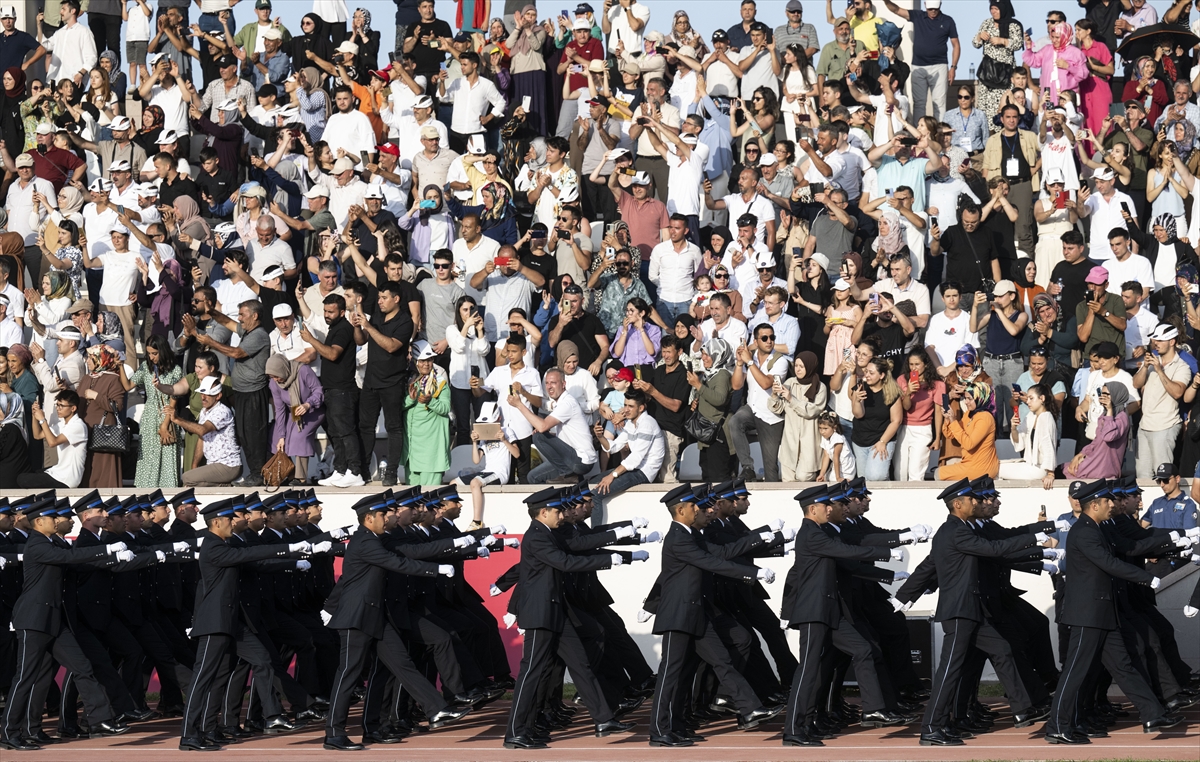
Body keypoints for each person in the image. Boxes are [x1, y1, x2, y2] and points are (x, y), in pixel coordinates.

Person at [646, 483, 780, 748]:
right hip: (679, 615)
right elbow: (711, 562)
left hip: (697, 613)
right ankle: (660, 730)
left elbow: (719, 553)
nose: (701, 509)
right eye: (695, 506)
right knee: (671, 673)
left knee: (721, 661)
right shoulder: (678, 537)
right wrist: (752, 574)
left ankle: (748, 708)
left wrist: (762, 540)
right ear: (681, 509)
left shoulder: (692, 535)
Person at [1043, 479, 1177, 745]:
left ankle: (1152, 713)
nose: (1112, 504)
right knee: (1075, 671)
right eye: (1107, 501)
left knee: (1124, 666)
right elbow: (1108, 563)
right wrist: (1145, 577)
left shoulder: (1097, 527)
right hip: (1087, 614)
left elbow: (1127, 548)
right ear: (1094, 505)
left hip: (1102, 612)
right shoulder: (1085, 531)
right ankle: (1058, 725)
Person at [917, 478, 1046, 746]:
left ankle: (1023, 710)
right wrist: (1035, 536)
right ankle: (932, 727)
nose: (977, 502)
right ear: (957, 504)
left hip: (973, 611)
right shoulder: (955, 531)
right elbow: (994, 549)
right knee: (950, 671)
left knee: (1003, 650)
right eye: (972, 499)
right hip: (960, 613)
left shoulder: (963, 528)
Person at [782, 484, 901, 748]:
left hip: (830, 611)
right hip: (814, 612)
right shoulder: (812, 534)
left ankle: (872, 709)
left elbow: (848, 562)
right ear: (812, 509)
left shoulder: (820, 532)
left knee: (863, 649)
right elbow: (849, 552)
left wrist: (888, 571)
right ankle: (794, 729)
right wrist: (886, 554)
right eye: (826, 505)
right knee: (809, 670)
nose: (831, 508)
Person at [514, 366, 597, 484]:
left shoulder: (567, 403)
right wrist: (550, 434)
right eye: (547, 383)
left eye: (553, 383)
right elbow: (565, 434)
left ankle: (567, 474)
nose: (549, 387)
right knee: (533, 477)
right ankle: (554, 498)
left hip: (581, 461)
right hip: (570, 458)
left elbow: (542, 426)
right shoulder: (560, 403)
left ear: (563, 384)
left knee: (539, 436)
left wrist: (519, 405)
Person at [729, 323, 788, 482]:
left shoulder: (780, 361)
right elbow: (736, 385)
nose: (769, 341)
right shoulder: (751, 357)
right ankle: (748, 468)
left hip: (770, 416)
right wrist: (740, 363)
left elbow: (766, 383)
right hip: (752, 409)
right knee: (735, 421)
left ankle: (774, 502)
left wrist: (749, 363)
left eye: (772, 337)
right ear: (756, 341)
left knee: (770, 469)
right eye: (764, 338)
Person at [1131, 323, 1190, 479]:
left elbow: (1177, 392)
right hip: (1144, 426)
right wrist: (1145, 367)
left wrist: (1159, 370)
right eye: (1154, 340)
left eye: (1160, 340)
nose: (1155, 343)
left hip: (1165, 425)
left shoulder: (1182, 366)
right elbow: (1136, 384)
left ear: (1172, 342)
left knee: (1163, 474)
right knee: (1142, 475)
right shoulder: (1151, 362)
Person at [882, 0, 958, 120]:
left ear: (940, 5)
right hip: (918, 66)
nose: (933, 11)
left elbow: (956, 45)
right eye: (930, 9)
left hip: (940, 65)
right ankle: (919, 133)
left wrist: (953, 67)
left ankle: (939, 136)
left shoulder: (948, 21)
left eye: (935, 9)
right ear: (925, 6)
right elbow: (896, 9)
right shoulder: (918, 16)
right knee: (919, 103)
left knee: (939, 103)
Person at [267, 354, 324, 487]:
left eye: (276, 375)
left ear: (283, 369)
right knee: (276, 436)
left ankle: (301, 478)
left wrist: (308, 404)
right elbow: (280, 410)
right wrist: (281, 435)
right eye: (272, 377)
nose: (275, 379)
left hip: (312, 409)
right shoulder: (274, 383)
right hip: (293, 411)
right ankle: (289, 475)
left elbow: (318, 391)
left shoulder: (303, 371)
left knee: (300, 436)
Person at [175, 376, 242, 487]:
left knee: (187, 478)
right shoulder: (204, 411)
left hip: (228, 465)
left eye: (208, 395)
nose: (203, 397)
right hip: (215, 465)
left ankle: (226, 487)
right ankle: (224, 486)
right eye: (202, 394)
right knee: (189, 482)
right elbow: (202, 439)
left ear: (218, 396)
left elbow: (202, 430)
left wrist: (177, 419)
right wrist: (194, 466)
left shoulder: (222, 411)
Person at [74, 344, 125, 488]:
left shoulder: (113, 379)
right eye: (88, 358)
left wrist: (96, 396)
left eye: (91, 358)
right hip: (85, 430)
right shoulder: (86, 378)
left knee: (103, 468)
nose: (87, 361)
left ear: (100, 359)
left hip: (104, 433)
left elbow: (117, 406)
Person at [16, 390, 86, 488]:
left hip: (67, 478)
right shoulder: (62, 424)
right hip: (59, 471)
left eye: (62, 406)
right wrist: (34, 415)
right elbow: (38, 435)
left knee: (22, 479)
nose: (58, 408)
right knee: (31, 473)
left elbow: (53, 442)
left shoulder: (78, 425)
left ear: (73, 408)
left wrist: (42, 420)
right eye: (57, 405)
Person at [896, 347, 946, 482]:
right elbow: (906, 407)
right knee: (899, 472)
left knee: (916, 473)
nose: (914, 368)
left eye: (917, 364)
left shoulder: (938, 384)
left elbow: (938, 412)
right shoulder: (902, 379)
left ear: (925, 364)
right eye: (911, 364)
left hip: (923, 429)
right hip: (903, 427)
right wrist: (908, 393)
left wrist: (937, 438)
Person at [775, 352, 826, 481]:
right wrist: (775, 394)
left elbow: (811, 411)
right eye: (796, 365)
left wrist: (791, 399)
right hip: (790, 442)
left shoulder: (820, 387)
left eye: (801, 366)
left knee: (804, 477)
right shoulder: (789, 383)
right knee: (787, 480)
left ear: (810, 366)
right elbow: (777, 408)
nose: (797, 369)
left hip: (809, 443)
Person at [1064, 381, 1131, 479]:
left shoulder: (1122, 417)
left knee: (1066, 472)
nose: (1103, 397)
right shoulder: (1103, 416)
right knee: (1064, 468)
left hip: (1104, 469)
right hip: (1094, 462)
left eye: (1107, 394)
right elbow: (1096, 441)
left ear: (1116, 395)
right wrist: (1080, 454)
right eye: (1102, 393)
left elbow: (1108, 436)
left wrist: (1109, 411)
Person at [850, 357, 903, 480]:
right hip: (860, 440)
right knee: (864, 481)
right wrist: (856, 400)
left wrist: (883, 442)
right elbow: (858, 415)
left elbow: (896, 421)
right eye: (866, 371)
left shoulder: (892, 391)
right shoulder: (860, 387)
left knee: (876, 476)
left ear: (881, 375)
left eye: (871, 373)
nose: (866, 375)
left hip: (882, 438)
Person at [937, 380, 999, 481]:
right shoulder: (969, 414)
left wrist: (953, 420)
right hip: (968, 463)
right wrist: (948, 418)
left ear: (981, 398)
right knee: (939, 472)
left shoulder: (985, 417)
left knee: (939, 474)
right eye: (965, 398)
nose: (966, 402)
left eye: (969, 399)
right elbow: (950, 435)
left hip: (982, 468)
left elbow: (969, 444)